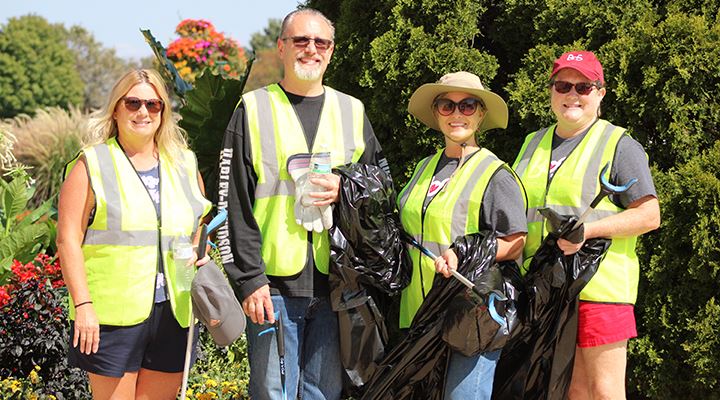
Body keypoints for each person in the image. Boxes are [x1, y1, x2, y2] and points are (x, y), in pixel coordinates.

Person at [216, 8, 389, 400]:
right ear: (281, 47)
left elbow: (382, 188)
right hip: (272, 287)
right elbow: (231, 204)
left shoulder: (353, 111)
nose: (311, 49)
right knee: (271, 393)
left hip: (337, 286)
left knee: (322, 394)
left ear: (331, 52)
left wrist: (345, 185)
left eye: (321, 42)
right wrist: (248, 280)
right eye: (301, 41)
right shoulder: (253, 109)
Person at [512, 51, 661, 399]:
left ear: (600, 93)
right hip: (545, 289)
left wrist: (589, 230)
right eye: (563, 85)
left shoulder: (618, 144)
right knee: (569, 391)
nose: (572, 94)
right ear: (551, 91)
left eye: (583, 86)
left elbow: (649, 215)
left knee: (603, 391)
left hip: (599, 291)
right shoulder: (532, 143)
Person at [56, 69, 212, 399]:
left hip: (174, 311)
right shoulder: (91, 164)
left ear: (163, 112)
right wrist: (83, 305)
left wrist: (198, 250)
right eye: (133, 103)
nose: (143, 112)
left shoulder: (184, 163)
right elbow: (67, 239)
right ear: (116, 108)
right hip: (112, 315)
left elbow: (200, 219)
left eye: (153, 105)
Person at [400, 71, 527, 399]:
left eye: (468, 105)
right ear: (436, 112)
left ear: (482, 114)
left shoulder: (495, 174)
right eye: (447, 105)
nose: (457, 114)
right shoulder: (422, 168)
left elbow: (516, 243)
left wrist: (464, 254)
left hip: (470, 317)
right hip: (417, 314)